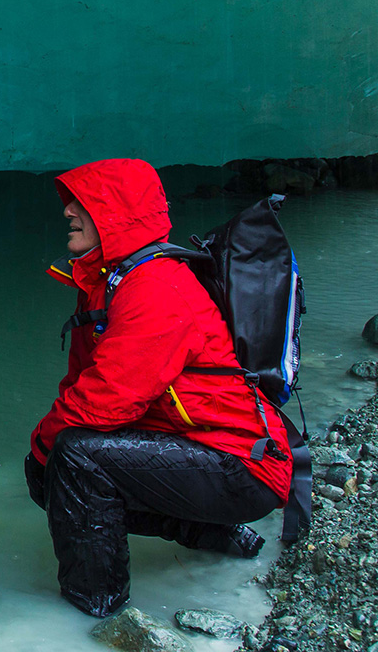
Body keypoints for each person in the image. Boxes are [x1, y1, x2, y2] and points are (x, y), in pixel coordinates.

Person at [24, 158, 293, 617]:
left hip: (242, 465)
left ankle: (95, 609)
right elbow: (81, 382)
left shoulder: (155, 287)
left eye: (82, 203)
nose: (67, 211)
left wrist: (45, 447)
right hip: (197, 446)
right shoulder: (108, 282)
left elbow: (108, 399)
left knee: (74, 458)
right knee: (52, 471)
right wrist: (41, 455)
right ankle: (214, 534)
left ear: (117, 214)